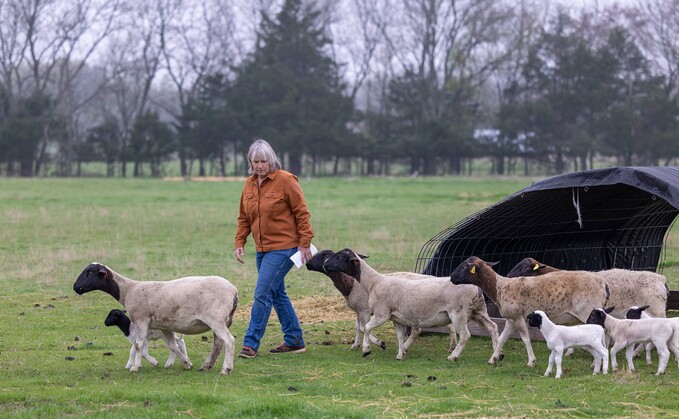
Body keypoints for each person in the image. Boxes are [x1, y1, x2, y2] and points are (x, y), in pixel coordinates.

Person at [234, 138, 314, 359]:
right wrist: (240, 242)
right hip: (262, 249)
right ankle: (294, 340)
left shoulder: (286, 180)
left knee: (262, 294)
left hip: (284, 247)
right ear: (250, 162)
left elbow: (302, 213)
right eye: (255, 161)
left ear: (271, 160)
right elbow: (244, 217)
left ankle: (250, 344)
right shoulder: (249, 184)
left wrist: (305, 242)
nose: (259, 165)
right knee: (277, 294)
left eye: (264, 161)